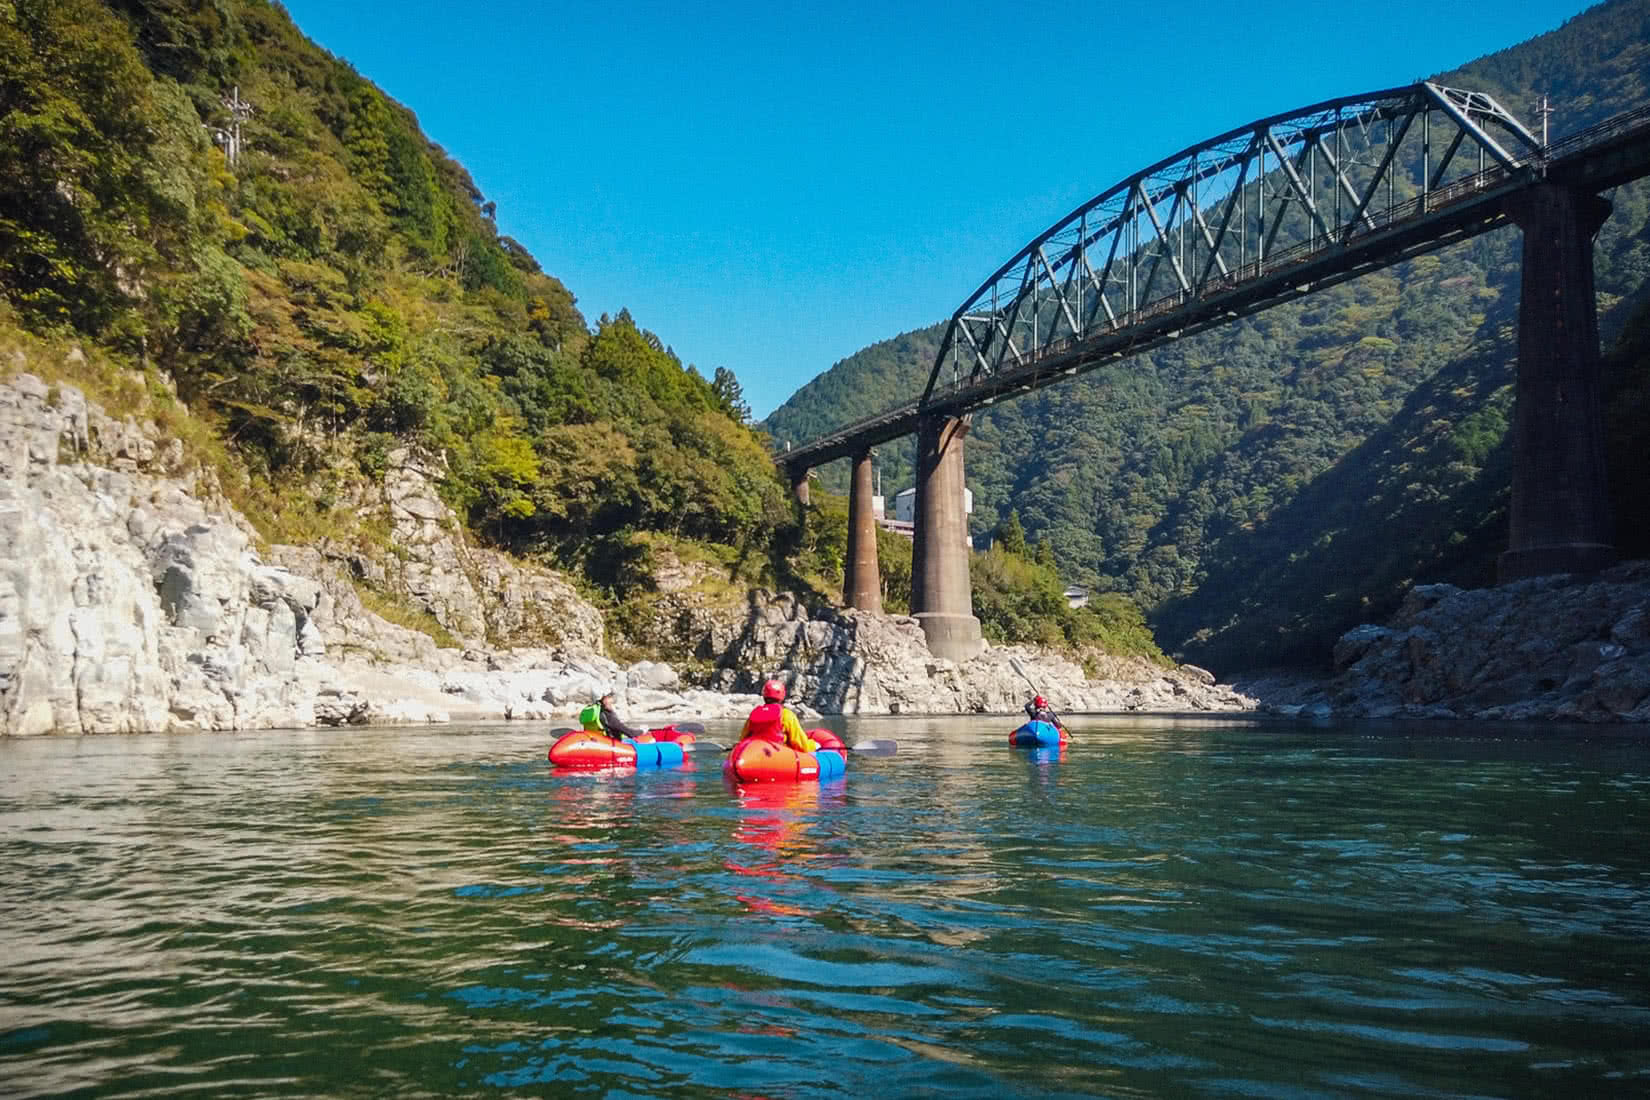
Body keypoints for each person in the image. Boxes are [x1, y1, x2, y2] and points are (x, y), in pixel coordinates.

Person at [739, 679, 818, 753]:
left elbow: (743, 739)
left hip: (755, 754)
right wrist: (814, 745)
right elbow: (801, 745)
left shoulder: (755, 714)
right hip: (778, 755)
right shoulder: (786, 715)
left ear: (764, 696)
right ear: (782, 695)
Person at [579, 691, 645, 742]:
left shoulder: (593, 711)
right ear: (603, 699)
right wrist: (642, 731)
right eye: (609, 697)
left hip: (596, 744)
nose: (612, 700)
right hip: (610, 746)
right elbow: (630, 733)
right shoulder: (607, 716)